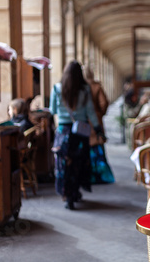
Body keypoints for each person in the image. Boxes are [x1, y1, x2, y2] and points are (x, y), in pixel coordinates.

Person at [49, 60, 102, 210]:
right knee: (78, 163)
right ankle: (76, 192)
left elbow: (52, 111)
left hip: (63, 132)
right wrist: (97, 129)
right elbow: (91, 111)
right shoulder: (85, 90)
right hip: (80, 132)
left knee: (64, 164)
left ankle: (67, 195)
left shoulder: (56, 89)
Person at [84, 64, 115, 184]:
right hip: (96, 120)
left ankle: (88, 175)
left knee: (87, 148)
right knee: (98, 147)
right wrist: (99, 113)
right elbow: (104, 103)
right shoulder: (96, 86)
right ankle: (101, 175)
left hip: (84, 121)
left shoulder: (81, 87)